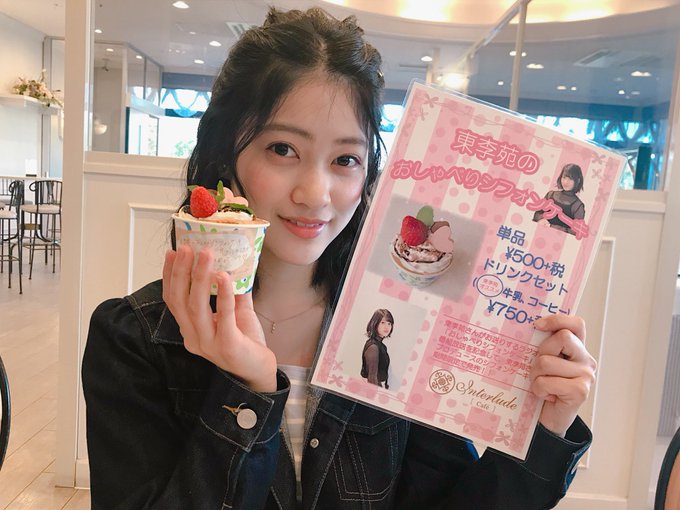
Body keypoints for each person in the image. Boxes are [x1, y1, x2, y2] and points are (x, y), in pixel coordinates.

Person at [82, 7, 597, 510]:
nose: (315, 193)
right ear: (224, 153)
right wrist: (249, 390)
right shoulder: (137, 340)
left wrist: (548, 429)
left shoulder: (400, 323)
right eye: (283, 149)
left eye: (346, 159)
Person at [533, 163, 586, 235]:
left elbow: (576, 231)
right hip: (539, 233)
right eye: (564, 177)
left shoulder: (578, 205)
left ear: (578, 181)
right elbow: (537, 213)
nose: (566, 182)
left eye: (570, 179)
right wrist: (541, 219)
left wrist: (552, 227)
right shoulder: (550, 194)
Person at [360, 309, 394, 389]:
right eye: (383, 323)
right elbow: (372, 378)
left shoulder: (381, 346)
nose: (387, 327)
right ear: (375, 323)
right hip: (373, 388)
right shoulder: (373, 347)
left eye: (389, 323)